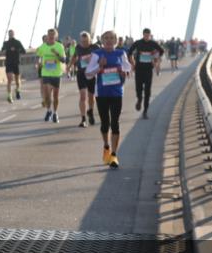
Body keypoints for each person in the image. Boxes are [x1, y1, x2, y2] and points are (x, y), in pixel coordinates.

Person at [84, 30, 132, 168]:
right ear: (102, 40)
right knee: (105, 123)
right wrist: (100, 66)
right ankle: (106, 146)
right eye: (106, 38)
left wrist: (124, 71)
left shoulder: (120, 53)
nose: (109, 40)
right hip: (102, 93)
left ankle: (114, 155)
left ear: (116, 40)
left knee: (115, 122)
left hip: (117, 92)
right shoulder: (97, 54)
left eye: (112, 38)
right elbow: (88, 74)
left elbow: (127, 67)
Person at [128, 28, 165, 119]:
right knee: (138, 88)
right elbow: (130, 52)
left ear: (150, 35)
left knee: (148, 91)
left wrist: (156, 59)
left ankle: (145, 111)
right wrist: (132, 62)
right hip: (139, 69)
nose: (147, 37)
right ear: (143, 34)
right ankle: (139, 99)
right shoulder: (138, 43)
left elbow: (161, 51)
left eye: (148, 35)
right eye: (145, 35)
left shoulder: (153, 43)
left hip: (148, 69)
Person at [67, 31, 99, 128]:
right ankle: (83, 119)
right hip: (81, 74)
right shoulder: (78, 48)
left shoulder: (95, 47)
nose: (84, 43)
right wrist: (68, 67)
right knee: (83, 96)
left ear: (90, 40)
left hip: (92, 74)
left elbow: (102, 56)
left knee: (91, 96)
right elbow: (74, 57)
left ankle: (91, 111)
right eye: (82, 41)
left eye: (86, 41)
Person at [36, 28, 67, 123]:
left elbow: (64, 60)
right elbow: (38, 56)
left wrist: (56, 54)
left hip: (56, 74)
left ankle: (55, 113)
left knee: (56, 96)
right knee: (47, 96)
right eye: (49, 35)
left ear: (56, 36)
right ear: (47, 36)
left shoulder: (59, 46)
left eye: (53, 35)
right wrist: (38, 63)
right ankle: (49, 111)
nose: (51, 36)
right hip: (46, 73)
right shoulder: (43, 47)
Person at [1, 30, 25, 103]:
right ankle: (9, 96)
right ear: (8, 34)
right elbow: (2, 51)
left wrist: (16, 50)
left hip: (16, 63)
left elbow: (24, 51)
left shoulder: (17, 42)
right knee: (10, 79)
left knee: (17, 80)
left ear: (14, 34)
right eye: (10, 34)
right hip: (8, 63)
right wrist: (5, 51)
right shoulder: (6, 43)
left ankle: (18, 90)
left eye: (12, 34)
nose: (11, 35)